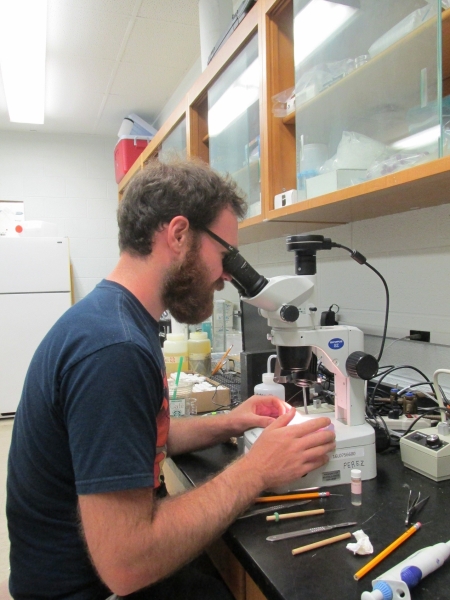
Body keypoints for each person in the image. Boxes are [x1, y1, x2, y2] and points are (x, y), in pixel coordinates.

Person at [6, 158, 336, 600]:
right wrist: (256, 471)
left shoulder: (111, 318)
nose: (225, 275)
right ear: (179, 235)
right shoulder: (115, 350)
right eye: (226, 255)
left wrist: (229, 422)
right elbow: (127, 564)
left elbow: (131, 440)